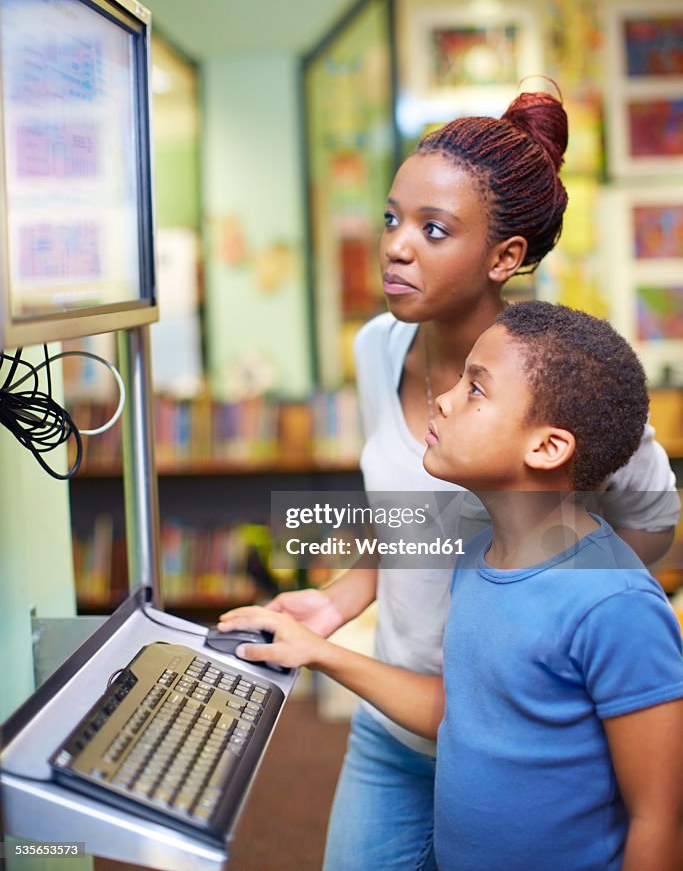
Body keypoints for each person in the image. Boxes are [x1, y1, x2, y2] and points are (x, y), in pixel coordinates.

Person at [221, 89, 680, 871]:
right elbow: (419, 510)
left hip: (531, 737)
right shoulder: (377, 347)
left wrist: (553, 630)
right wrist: (340, 598)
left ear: (505, 257)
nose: (397, 247)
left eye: (433, 230)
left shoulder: (563, 382)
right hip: (397, 712)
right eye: (393, 218)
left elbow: (646, 529)